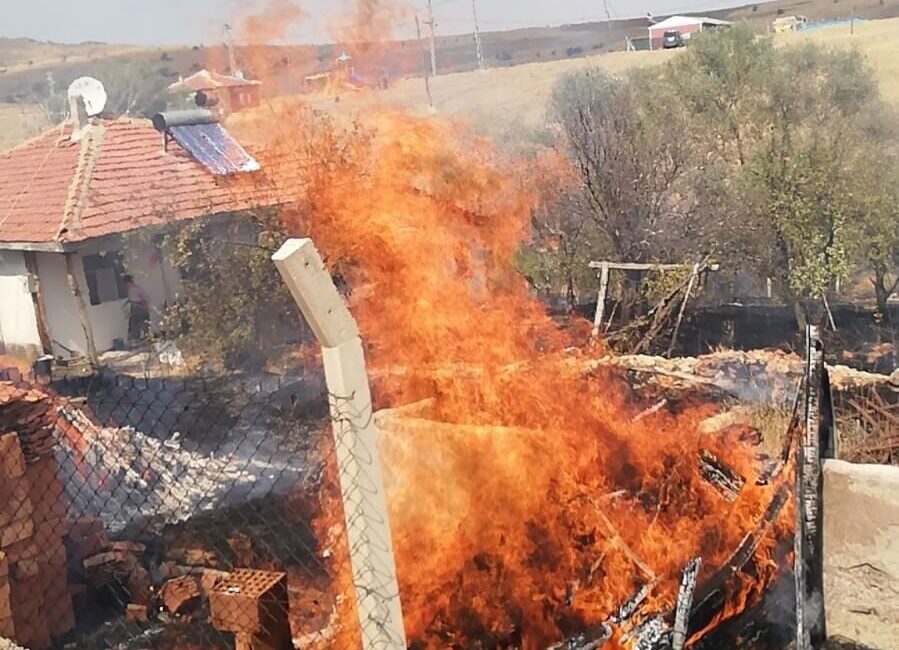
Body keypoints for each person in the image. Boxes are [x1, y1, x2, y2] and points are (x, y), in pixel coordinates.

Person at [123, 274, 150, 345]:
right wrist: (126, 304)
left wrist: (145, 306)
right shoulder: (129, 290)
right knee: (134, 324)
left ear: (128, 282)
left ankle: (147, 337)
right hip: (134, 306)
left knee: (141, 323)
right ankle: (136, 339)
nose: (126, 285)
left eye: (126, 283)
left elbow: (144, 297)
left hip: (139, 306)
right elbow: (131, 298)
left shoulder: (136, 288)